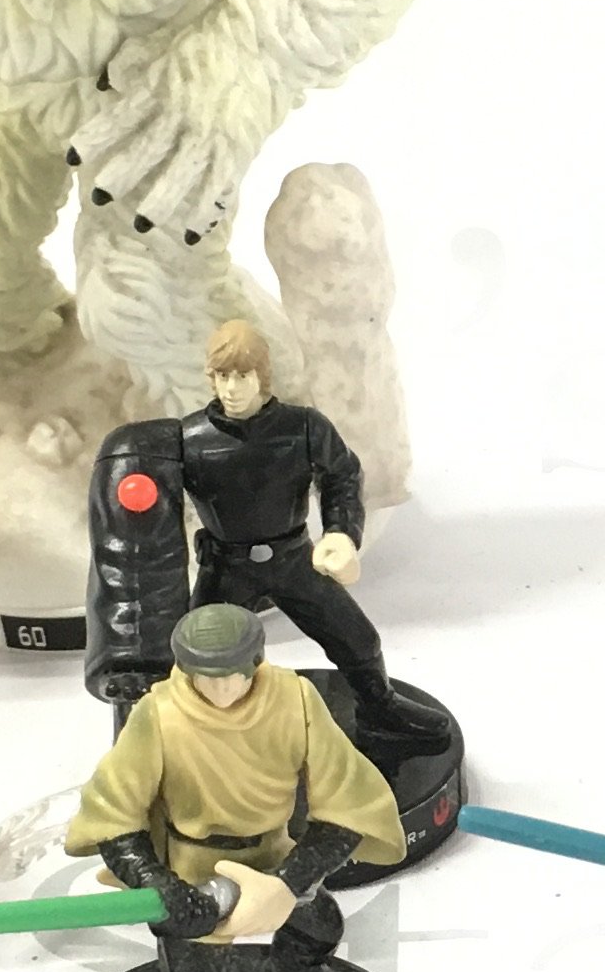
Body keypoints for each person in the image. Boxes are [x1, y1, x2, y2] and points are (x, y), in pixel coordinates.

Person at [64, 602, 404, 972]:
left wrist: (288, 882)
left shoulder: (295, 699)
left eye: (232, 676)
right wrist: (158, 883)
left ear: (256, 663)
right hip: (194, 867)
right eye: (206, 678)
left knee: (320, 928)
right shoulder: (159, 714)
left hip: (272, 853)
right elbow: (113, 814)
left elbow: (348, 803)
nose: (221, 690)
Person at [162, 322, 445, 752]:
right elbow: (154, 505)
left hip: (294, 559)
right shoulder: (188, 439)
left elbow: (342, 475)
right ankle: (203, 736)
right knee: (202, 657)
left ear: (262, 376)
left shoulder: (304, 427)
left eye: (242, 375)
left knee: (357, 637)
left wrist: (341, 533)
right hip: (225, 567)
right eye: (222, 376)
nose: (232, 388)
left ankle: (378, 709)